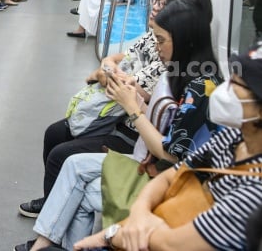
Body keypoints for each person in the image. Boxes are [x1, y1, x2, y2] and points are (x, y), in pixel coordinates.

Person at [14, 0, 222, 250]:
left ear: (185, 40)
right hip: (152, 161)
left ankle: (48, 244)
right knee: (70, 163)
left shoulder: (199, 89)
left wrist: (133, 109)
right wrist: (139, 102)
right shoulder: (180, 72)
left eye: (162, 41)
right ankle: (45, 244)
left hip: (169, 176)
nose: (157, 48)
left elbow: (169, 152)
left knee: (82, 184)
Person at [73, 40, 262, 251]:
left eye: (238, 85)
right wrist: (140, 213)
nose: (226, 90)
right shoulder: (234, 137)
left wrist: (110, 234)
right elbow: (172, 175)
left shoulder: (253, 194)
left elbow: (170, 244)